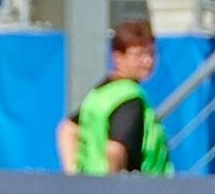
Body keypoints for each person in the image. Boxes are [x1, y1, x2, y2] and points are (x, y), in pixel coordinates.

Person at [56, 19, 174, 175]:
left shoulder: (100, 93)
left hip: (91, 188)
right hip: (139, 192)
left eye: (151, 53)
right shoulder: (130, 98)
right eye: (139, 54)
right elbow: (115, 150)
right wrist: (113, 189)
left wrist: (72, 173)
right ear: (118, 57)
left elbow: (68, 129)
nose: (148, 61)